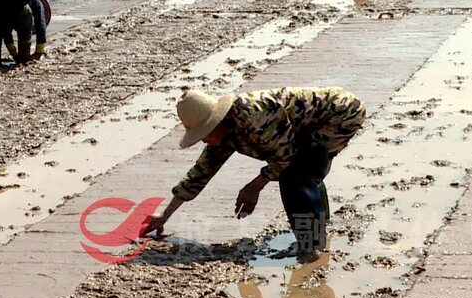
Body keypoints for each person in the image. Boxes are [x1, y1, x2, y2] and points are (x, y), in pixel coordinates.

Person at [140, 87, 367, 262]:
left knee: (296, 175)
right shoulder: (224, 134)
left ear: (216, 122)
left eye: (204, 133)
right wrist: (165, 215)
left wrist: (254, 186)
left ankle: (312, 246)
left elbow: (284, 157)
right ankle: (317, 232)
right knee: (305, 170)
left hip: (340, 115)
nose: (204, 140)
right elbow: (200, 173)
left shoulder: (253, 117)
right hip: (311, 124)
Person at [0, 0, 51, 67]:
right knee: (25, 24)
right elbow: (40, 23)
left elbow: (5, 26)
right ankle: (24, 57)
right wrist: (39, 50)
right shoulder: (34, 0)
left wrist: (11, 48)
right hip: (13, 2)